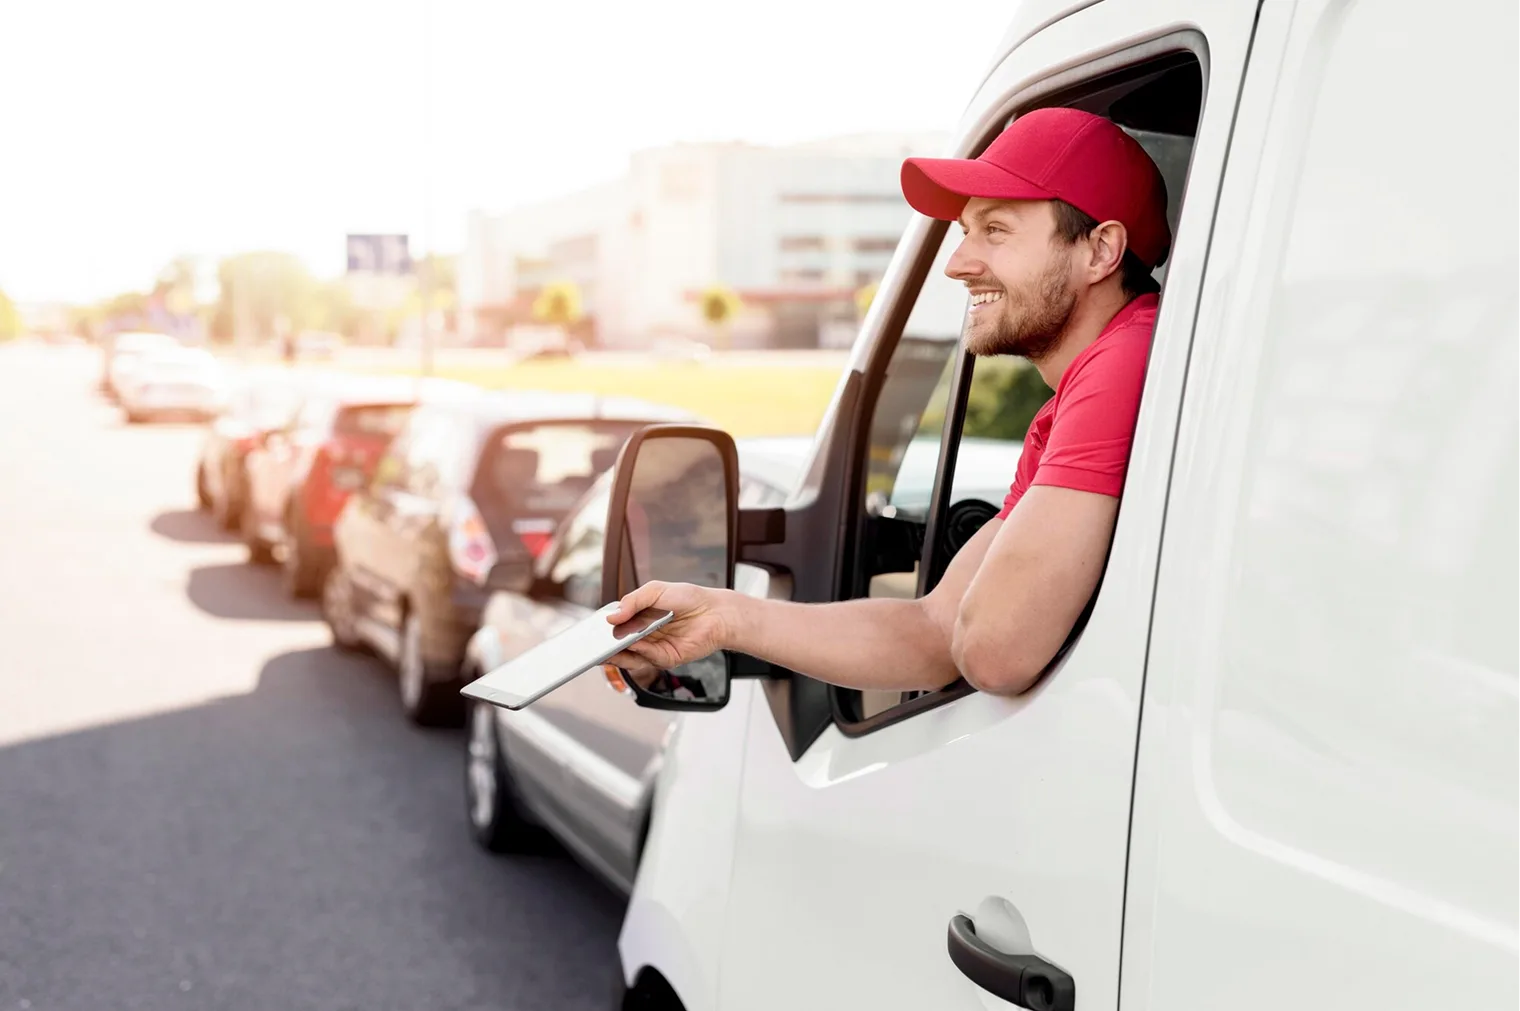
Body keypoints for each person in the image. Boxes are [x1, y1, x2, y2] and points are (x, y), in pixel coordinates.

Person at [607, 107, 1171, 697]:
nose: (957, 264)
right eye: (966, 232)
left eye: (996, 230)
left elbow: (994, 650)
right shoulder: (1085, 388)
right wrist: (724, 618)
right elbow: (935, 631)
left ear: (1100, 250)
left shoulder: (1126, 360)